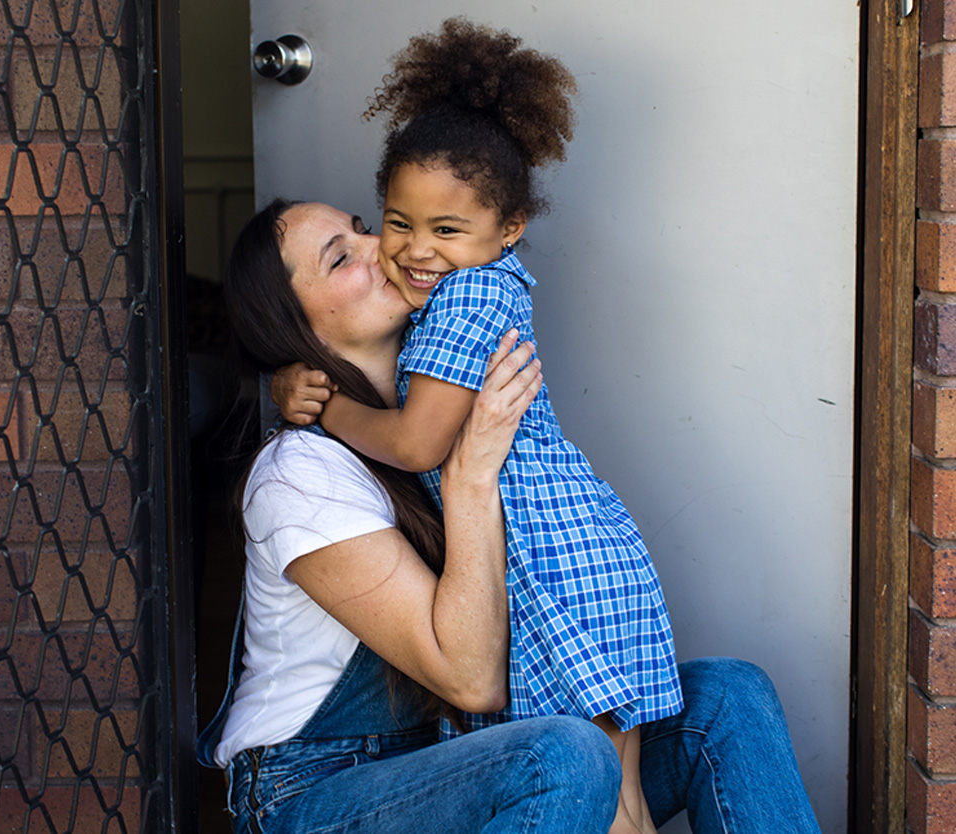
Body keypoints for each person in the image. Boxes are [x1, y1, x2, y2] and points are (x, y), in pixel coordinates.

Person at [201, 198, 822, 834]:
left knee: (727, 698)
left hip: (455, 757)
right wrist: (470, 476)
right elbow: (469, 681)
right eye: (340, 259)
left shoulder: (434, 386)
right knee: (563, 756)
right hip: (317, 791)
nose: (376, 248)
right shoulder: (299, 474)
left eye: (362, 228)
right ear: (293, 327)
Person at [271, 19, 675, 834]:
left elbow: (419, 443)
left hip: (554, 569)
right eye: (397, 221)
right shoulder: (480, 289)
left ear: (510, 228)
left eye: (447, 231)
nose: (415, 250)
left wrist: (331, 409)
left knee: (607, 805)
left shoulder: (467, 299)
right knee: (618, 802)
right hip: (588, 558)